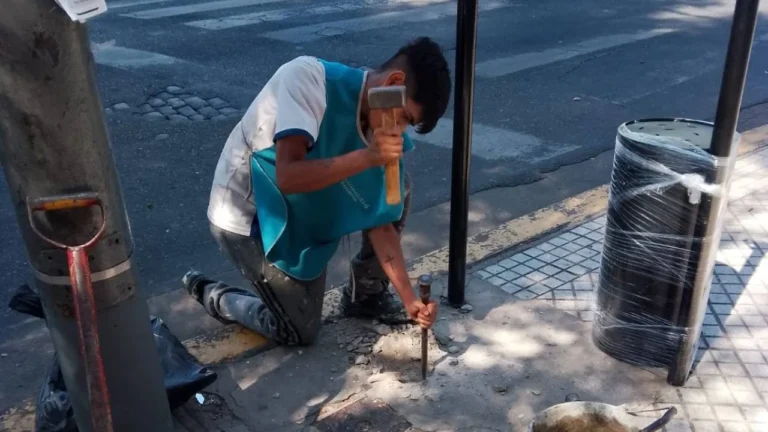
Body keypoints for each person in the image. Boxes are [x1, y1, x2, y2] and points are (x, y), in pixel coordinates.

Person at [183, 37, 452, 346]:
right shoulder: (308, 78)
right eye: (404, 117)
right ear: (393, 82)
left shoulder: (381, 127)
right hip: (252, 217)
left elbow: (381, 221)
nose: (400, 129)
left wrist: (410, 299)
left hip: (307, 207)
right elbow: (288, 176)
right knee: (298, 331)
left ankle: (366, 295)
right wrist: (368, 157)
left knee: (398, 189)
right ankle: (215, 295)